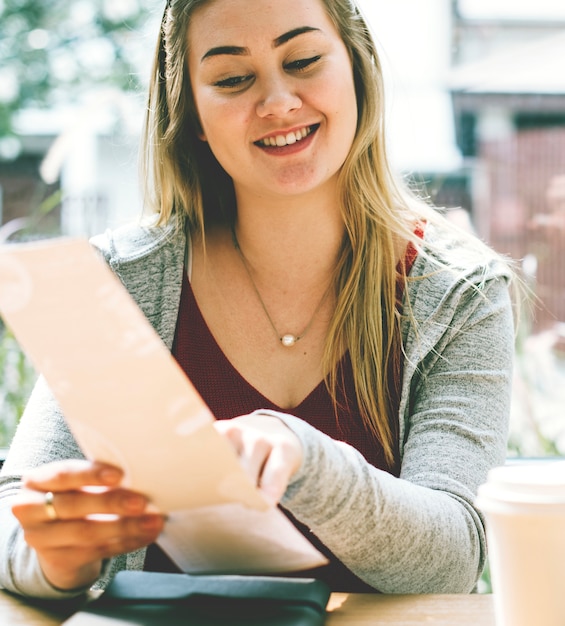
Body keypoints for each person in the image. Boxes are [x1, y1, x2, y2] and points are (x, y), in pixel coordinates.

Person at [0, 0, 515, 599]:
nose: (276, 102)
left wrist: (308, 461)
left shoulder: (460, 293)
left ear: (357, 68)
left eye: (302, 60)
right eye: (232, 79)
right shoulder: (118, 278)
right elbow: (17, 511)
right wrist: (54, 559)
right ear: (191, 112)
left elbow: (453, 559)